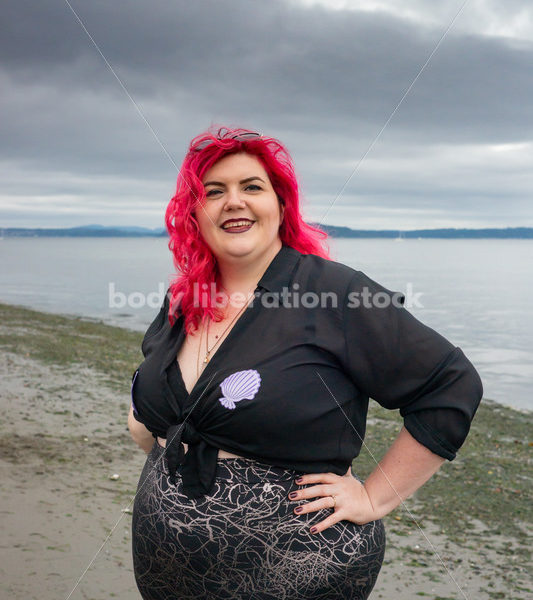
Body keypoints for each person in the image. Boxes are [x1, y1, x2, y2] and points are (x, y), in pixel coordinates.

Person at [128, 126, 483, 600]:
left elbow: (450, 385)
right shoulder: (183, 300)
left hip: (295, 572)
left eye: (251, 187)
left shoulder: (336, 294)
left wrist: (376, 495)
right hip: (167, 571)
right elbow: (153, 407)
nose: (233, 201)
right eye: (214, 192)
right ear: (194, 212)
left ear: (280, 204)